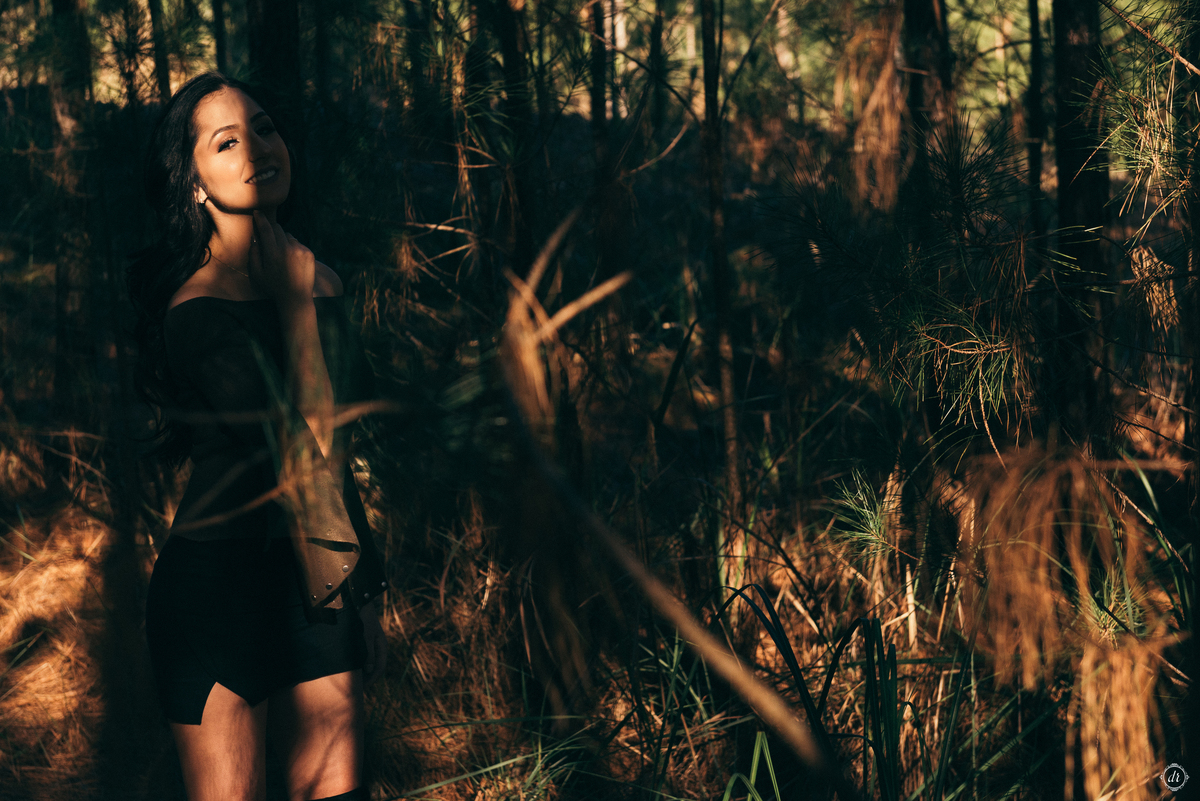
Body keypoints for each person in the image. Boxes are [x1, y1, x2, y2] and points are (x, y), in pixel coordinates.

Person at [127, 72, 388, 801]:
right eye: (227, 141)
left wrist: (365, 591)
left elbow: (337, 459)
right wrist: (295, 311)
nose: (257, 148)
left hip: (317, 579)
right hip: (215, 594)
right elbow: (293, 453)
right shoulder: (197, 311)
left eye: (265, 128)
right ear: (193, 185)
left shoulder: (323, 281)